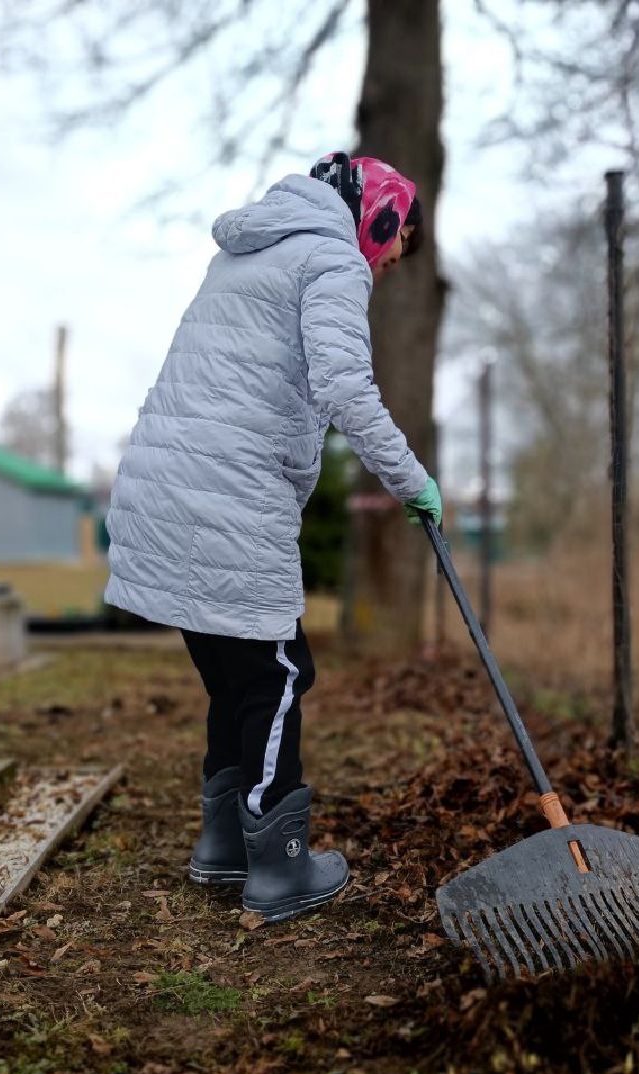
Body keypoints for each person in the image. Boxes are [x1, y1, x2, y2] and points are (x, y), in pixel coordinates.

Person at [104, 153, 442, 923]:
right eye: (394, 246)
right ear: (379, 217)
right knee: (280, 675)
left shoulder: (247, 253)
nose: (387, 265)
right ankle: (281, 866)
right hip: (229, 494)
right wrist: (412, 483)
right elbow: (345, 388)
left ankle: (224, 847)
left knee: (235, 676)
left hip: (167, 488)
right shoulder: (332, 258)